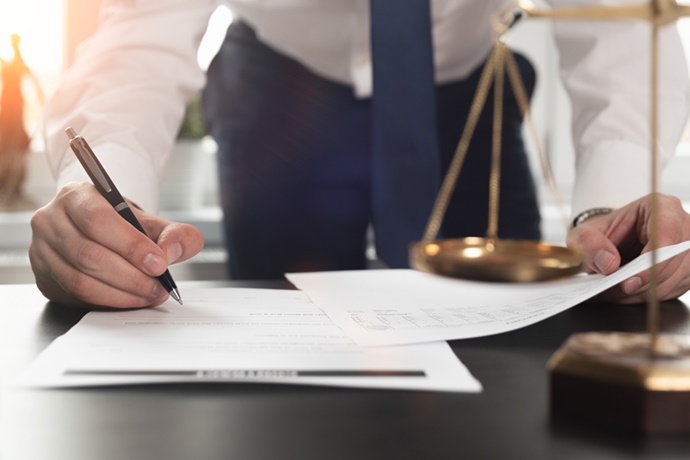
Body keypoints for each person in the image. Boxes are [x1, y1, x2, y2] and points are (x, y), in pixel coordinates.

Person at [30, 0, 690, 309]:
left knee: (512, 331)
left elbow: (618, 19)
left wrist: (615, 202)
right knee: (284, 355)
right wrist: (100, 199)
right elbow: (144, 32)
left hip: (465, 93)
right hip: (282, 95)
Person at [0, 34, 42, 210]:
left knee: (17, 150)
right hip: (7, 111)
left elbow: (35, 83)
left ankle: (12, 190)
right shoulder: (9, 65)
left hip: (16, 109)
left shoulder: (19, 63)